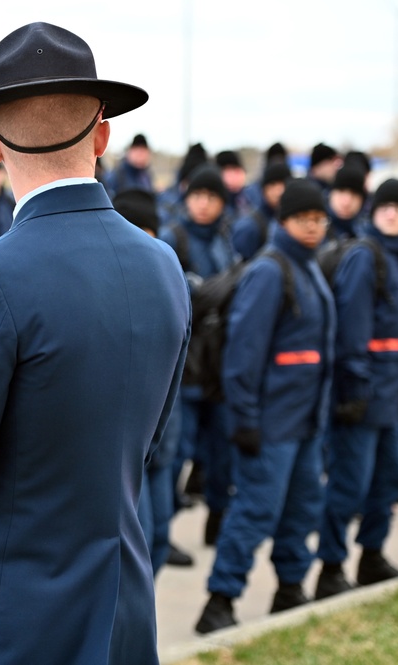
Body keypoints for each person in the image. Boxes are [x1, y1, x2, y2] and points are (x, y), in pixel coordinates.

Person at [0, 22, 189, 664]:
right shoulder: (163, 264)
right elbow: (147, 441)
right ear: (105, 134)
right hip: (120, 607)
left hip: (8, 614)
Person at [195, 179, 335, 634]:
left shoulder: (310, 267)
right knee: (255, 512)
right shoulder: (270, 271)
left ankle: (290, 588)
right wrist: (246, 420)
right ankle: (220, 601)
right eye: (303, 219)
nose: (312, 227)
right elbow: (243, 355)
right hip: (270, 425)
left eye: (318, 219)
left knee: (301, 511)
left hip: (305, 422)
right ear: (284, 221)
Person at [314, 179, 398, 599]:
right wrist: (353, 391)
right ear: (374, 212)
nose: (391, 213)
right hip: (363, 398)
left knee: (387, 483)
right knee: (348, 486)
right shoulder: (364, 257)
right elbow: (352, 334)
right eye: (385, 206)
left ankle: (371, 556)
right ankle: (331, 568)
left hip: (391, 398)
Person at [113, 187, 194, 574]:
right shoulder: (106, 287)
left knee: (159, 536)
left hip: (163, 444)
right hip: (128, 452)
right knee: (136, 546)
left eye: (149, 231)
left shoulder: (166, 281)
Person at [159, 164, 240, 545]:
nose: (204, 205)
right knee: (177, 452)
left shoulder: (225, 239)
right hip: (186, 363)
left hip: (219, 362)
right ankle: (165, 529)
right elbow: (189, 295)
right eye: (197, 196)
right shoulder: (173, 238)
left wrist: (213, 289)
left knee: (221, 452)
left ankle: (218, 520)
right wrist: (223, 285)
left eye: (212, 197)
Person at [230, 161, 290, 260]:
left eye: (283, 184)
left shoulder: (287, 221)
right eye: (272, 185)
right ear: (263, 189)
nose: (279, 191)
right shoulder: (250, 226)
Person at [102, 132, 154, 198]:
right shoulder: (116, 175)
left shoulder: (147, 177)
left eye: (143, 151)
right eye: (137, 151)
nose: (141, 155)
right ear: (129, 152)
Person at [325, 165, 367, 242]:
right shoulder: (316, 232)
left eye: (354, 194)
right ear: (330, 194)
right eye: (341, 192)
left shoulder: (367, 234)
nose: (346, 202)